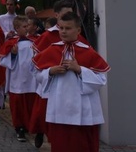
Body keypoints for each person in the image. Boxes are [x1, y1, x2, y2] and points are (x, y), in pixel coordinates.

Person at [34, 12, 109, 151]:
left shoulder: (88, 52)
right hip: (59, 106)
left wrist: (80, 69)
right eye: (61, 28)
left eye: (68, 28)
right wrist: (50, 71)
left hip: (83, 109)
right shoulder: (52, 49)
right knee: (61, 144)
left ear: (78, 30)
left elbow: (101, 80)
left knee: (81, 145)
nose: (63, 31)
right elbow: (38, 76)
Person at [0, 15, 40, 143]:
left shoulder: (36, 41)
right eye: (24, 26)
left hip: (32, 79)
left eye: (28, 26)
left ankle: (30, 126)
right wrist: (13, 55)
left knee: (31, 103)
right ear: (16, 28)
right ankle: (19, 127)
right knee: (18, 105)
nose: (27, 29)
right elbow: (2, 61)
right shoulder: (11, 43)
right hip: (18, 79)